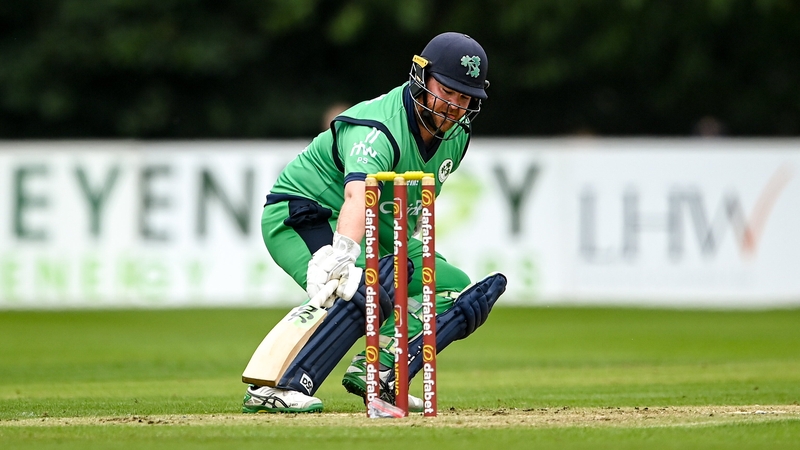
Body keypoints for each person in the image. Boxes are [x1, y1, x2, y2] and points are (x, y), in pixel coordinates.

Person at [243, 32, 507, 413]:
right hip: (305, 211)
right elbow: (356, 196)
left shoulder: (457, 136)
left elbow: (412, 203)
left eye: (465, 98)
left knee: (450, 288)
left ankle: (379, 370)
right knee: (355, 288)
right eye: (447, 91)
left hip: (377, 221)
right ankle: (275, 385)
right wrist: (342, 258)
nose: (454, 106)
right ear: (422, 77)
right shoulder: (379, 129)